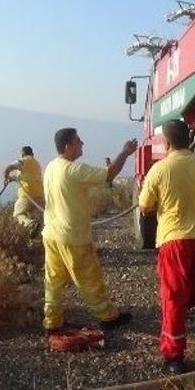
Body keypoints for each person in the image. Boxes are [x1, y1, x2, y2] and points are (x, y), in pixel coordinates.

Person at [138, 120, 195, 375]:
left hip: (174, 242)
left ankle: (174, 358)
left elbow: (145, 206)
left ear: (167, 142)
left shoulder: (159, 170)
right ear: (189, 138)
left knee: (174, 299)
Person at [41, 128, 137, 334]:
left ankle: (52, 322)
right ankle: (108, 317)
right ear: (68, 146)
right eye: (78, 141)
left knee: (53, 282)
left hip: (51, 234)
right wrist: (125, 153)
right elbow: (109, 174)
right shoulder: (74, 170)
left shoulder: (51, 167)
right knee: (90, 279)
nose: (82, 143)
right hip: (73, 237)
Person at [3, 146, 45, 234]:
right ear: (32, 154)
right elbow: (26, 177)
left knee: (17, 215)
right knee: (38, 224)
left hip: (26, 196)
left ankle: (30, 224)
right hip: (40, 197)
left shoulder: (23, 161)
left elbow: (8, 168)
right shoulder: (36, 164)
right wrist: (12, 178)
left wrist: (6, 176)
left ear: (22, 155)